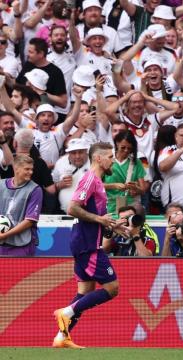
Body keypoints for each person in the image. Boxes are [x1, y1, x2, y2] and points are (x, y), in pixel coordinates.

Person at [52, 143, 121, 349]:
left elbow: (94, 214)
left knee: (85, 291)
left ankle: (61, 337)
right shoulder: (90, 178)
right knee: (112, 289)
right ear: (98, 158)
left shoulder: (97, 180)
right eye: (110, 156)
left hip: (84, 242)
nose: (113, 160)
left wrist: (112, 224)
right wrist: (100, 220)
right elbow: (72, 208)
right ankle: (66, 312)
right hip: (87, 244)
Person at [0, 154, 42, 256]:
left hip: (23, 244)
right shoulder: (1, 185)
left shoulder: (35, 190)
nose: (30, 172)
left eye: (31, 169)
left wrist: (4, 235)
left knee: (20, 272)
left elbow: (29, 221)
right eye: (27, 169)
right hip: (2, 243)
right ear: (16, 168)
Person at [51, 138, 90, 214]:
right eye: (73, 153)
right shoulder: (61, 162)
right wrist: (59, 185)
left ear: (86, 152)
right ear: (68, 153)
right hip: (65, 213)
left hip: (89, 213)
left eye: (81, 152)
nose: (77, 156)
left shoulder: (94, 162)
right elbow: (53, 184)